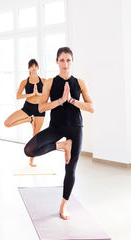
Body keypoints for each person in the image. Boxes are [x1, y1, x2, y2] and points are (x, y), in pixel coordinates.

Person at [24, 47, 94, 220]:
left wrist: (71, 100)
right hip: (56, 127)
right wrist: (60, 100)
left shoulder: (80, 82)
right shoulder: (49, 82)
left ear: (72, 61)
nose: (65, 63)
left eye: (68, 60)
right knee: (29, 150)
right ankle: (63, 145)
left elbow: (91, 108)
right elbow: (41, 107)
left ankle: (63, 206)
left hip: (75, 127)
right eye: (62, 60)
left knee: (70, 169)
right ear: (56, 61)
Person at [4, 59, 46, 167]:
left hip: (40, 109)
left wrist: (38, 93)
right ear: (28, 68)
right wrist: (32, 94)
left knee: (35, 136)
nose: (33, 68)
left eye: (35, 66)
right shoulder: (24, 81)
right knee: (7, 123)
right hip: (28, 107)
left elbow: (47, 96)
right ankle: (29, 119)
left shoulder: (44, 81)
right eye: (31, 66)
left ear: (38, 67)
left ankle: (31, 161)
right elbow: (18, 96)